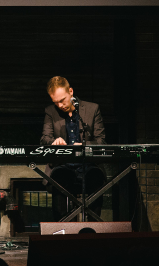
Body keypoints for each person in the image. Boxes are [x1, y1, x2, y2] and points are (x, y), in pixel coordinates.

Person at [40, 76, 107, 221]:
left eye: (62, 100)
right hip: (63, 166)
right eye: (56, 102)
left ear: (71, 91)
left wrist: (83, 146)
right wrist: (54, 141)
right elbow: (44, 139)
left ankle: (92, 230)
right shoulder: (50, 112)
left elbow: (101, 142)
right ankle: (62, 231)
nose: (60, 105)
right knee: (58, 178)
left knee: (96, 178)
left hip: (88, 165)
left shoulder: (92, 109)